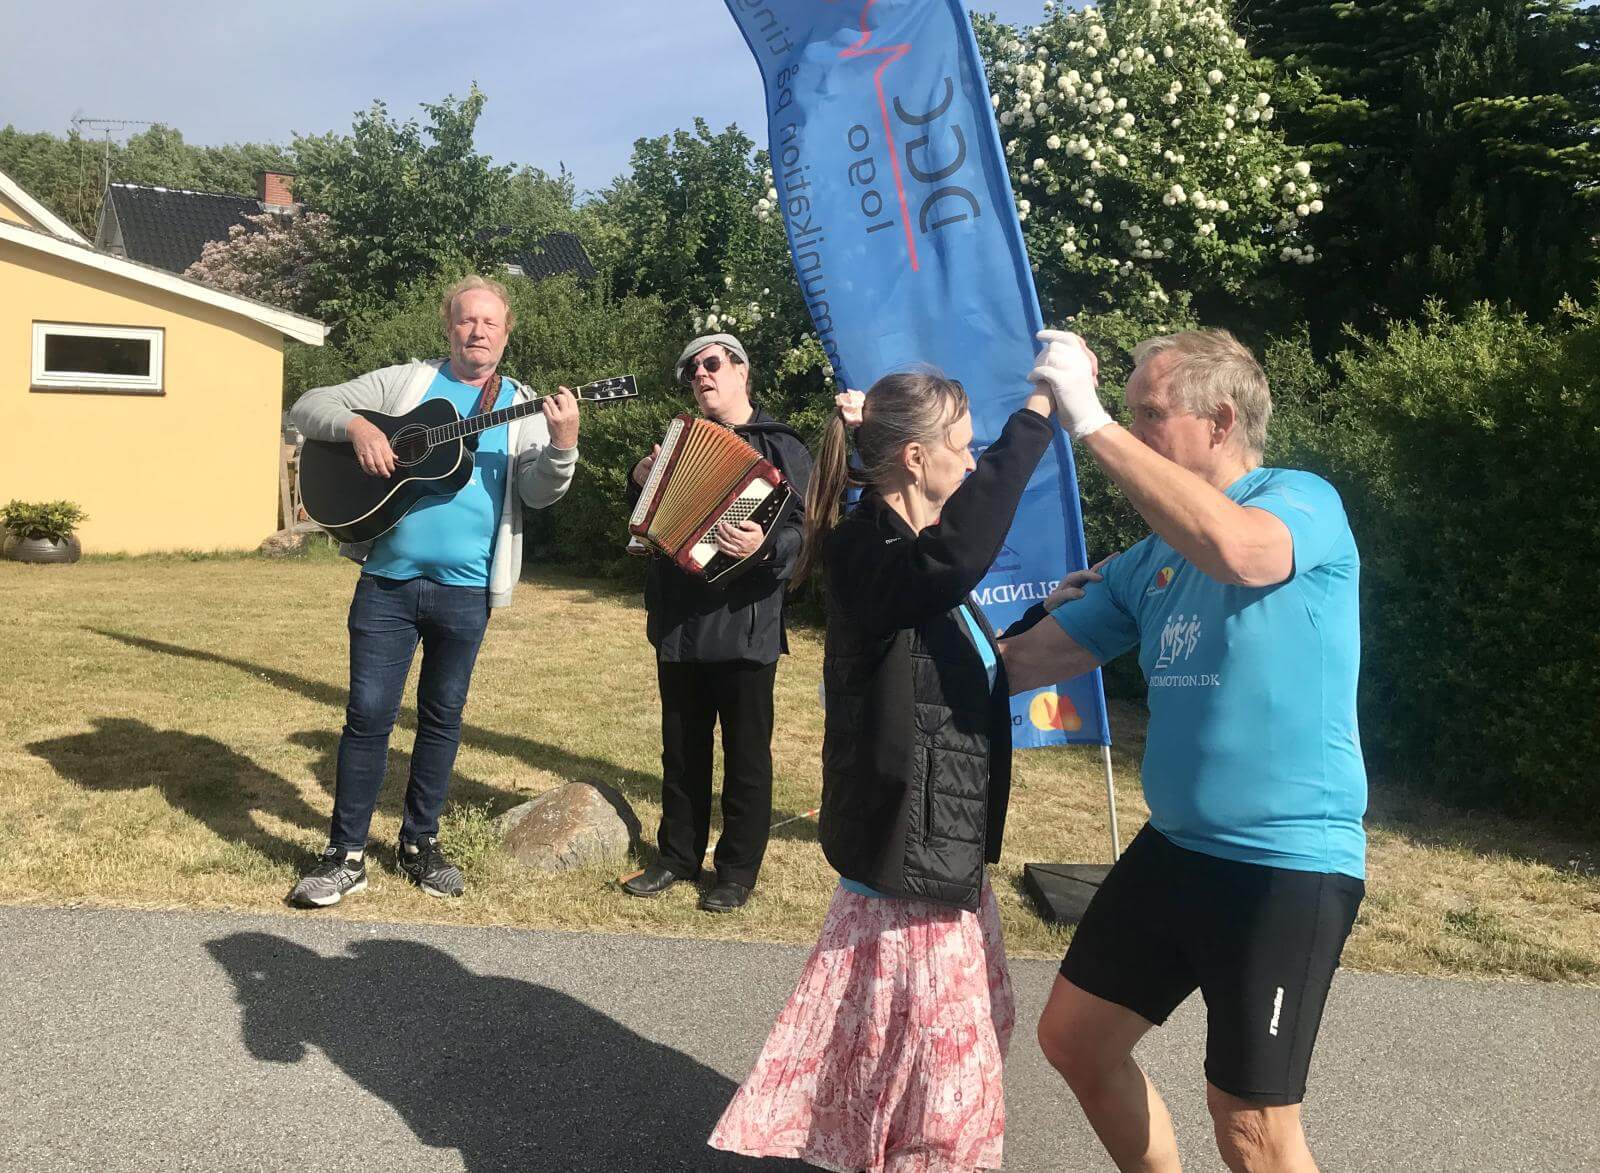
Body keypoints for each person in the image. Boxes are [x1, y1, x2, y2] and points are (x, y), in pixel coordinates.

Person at [1002, 328, 1367, 1173]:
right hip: (1177, 849)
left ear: (1221, 419)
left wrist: (1089, 419)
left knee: (1251, 1123)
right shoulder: (1150, 559)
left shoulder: (1300, 500)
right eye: (1124, 412)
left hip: (1284, 862)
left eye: (1147, 414)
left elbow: (1242, 552)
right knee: (1076, 1041)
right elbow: (1021, 665)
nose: (1129, 430)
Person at [710, 367, 1062, 1172]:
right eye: (963, 449)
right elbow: (954, 559)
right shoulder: (868, 546)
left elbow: (958, 664)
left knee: (926, 1084)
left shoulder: (904, 554)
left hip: (938, 856)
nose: (971, 464)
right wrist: (1037, 416)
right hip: (908, 873)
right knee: (948, 1106)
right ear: (914, 456)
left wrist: (1051, 612)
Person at [285, 275, 580, 908]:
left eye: (490, 324)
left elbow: (536, 493)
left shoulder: (522, 403)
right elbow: (308, 404)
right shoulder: (405, 383)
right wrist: (358, 428)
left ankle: (420, 844)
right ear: (449, 327)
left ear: (506, 334)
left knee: (442, 721)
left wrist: (562, 445)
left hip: (466, 591)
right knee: (367, 716)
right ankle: (346, 854)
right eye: (467, 321)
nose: (478, 332)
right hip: (387, 583)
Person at [621, 333, 812, 913]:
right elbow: (645, 525)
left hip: (745, 624)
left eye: (710, 365)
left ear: (740, 371)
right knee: (680, 750)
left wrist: (765, 543)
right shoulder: (680, 447)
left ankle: (735, 872)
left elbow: (807, 534)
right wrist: (642, 478)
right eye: (691, 373)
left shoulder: (781, 448)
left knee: (747, 757)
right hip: (679, 621)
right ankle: (677, 857)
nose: (700, 377)